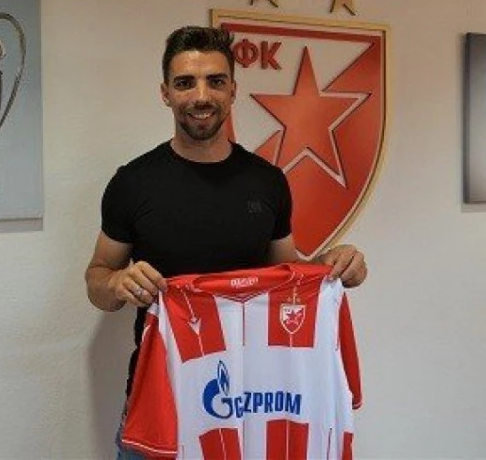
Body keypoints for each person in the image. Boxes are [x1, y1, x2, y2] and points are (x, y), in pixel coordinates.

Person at [84, 26, 368, 457]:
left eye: (215, 81)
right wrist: (118, 283)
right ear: (165, 93)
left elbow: (287, 274)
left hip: (251, 403)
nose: (201, 96)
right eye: (185, 83)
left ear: (233, 90)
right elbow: (97, 280)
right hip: (162, 402)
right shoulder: (133, 183)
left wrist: (332, 265)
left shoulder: (267, 181)